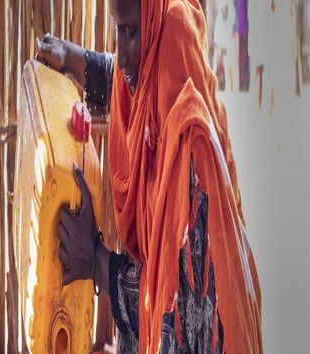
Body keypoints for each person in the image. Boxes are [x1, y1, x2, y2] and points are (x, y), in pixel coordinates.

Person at [36, 0, 263, 353]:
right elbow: (126, 79)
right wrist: (71, 57)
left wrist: (96, 260)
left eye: (129, 32)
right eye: (116, 27)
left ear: (165, 38)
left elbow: (182, 315)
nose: (121, 54)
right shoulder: (159, 94)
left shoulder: (193, 161)